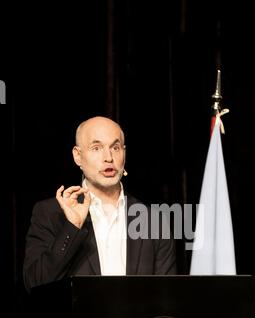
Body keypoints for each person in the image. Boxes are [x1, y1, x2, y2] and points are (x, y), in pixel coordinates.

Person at [23, 116, 176, 290]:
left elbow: (167, 296)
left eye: (115, 148)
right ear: (78, 156)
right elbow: (35, 284)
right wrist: (72, 227)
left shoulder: (152, 220)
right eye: (96, 148)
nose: (108, 157)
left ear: (124, 154)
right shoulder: (50, 213)